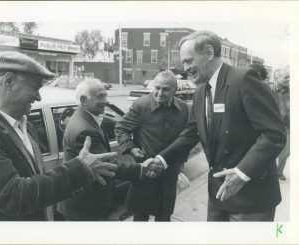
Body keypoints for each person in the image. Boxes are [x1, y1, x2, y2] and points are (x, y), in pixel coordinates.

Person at [0, 52, 118, 221]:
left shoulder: (24, 124)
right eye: (35, 88)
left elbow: (36, 183)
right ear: (9, 81)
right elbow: (13, 196)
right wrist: (80, 169)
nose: (38, 97)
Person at [144, 31, 286, 221]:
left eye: (188, 61)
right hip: (218, 196)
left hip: (251, 200)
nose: (185, 68)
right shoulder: (201, 91)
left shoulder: (244, 79)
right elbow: (191, 133)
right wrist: (161, 159)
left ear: (209, 53)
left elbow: (273, 135)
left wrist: (241, 173)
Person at [57, 79, 163, 221]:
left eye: (106, 95)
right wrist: (142, 169)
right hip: (84, 208)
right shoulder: (85, 130)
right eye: (100, 97)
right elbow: (107, 165)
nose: (106, 101)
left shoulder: (83, 117)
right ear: (83, 100)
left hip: (82, 204)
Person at [114, 70, 190, 221]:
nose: (160, 93)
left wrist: (180, 163)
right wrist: (131, 148)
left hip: (169, 174)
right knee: (141, 217)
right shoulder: (142, 105)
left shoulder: (184, 108)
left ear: (175, 90)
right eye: (157, 88)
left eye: (166, 89)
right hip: (146, 172)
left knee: (164, 216)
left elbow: (186, 138)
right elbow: (120, 128)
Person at [273, 67, 290, 180]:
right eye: (286, 77)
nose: (289, 79)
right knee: (270, 151)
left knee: (287, 151)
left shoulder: (290, 90)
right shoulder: (268, 89)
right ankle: (270, 173)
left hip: (288, 126)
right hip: (273, 126)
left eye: (289, 77)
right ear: (276, 77)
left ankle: (279, 172)